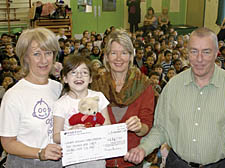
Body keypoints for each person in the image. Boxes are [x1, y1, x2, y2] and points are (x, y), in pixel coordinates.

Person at [124, 27, 225, 167]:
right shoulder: (173, 86)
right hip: (177, 164)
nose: (199, 59)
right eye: (194, 51)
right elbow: (161, 128)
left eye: (206, 52)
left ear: (216, 53)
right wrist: (143, 148)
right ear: (188, 53)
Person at [91, 29, 155, 167]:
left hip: (131, 160)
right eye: (113, 53)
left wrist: (139, 127)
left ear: (131, 56)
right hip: (101, 162)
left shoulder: (143, 85)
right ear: (107, 57)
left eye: (124, 53)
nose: (118, 58)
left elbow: (147, 126)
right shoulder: (96, 85)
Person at [0, 27, 62, 168]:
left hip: (58, 163)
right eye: (36, 54)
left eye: (48, 53)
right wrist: (40, 153)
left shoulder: (59, 88)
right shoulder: (14, 95)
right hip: (26, 163)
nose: (44, 60)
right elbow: (8, 143)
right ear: (26, 58)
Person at [53, 55, 110, 168]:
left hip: (96, 158)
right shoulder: (60, 104)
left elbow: (108, 124)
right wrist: (69, 132)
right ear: (64, 78)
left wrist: (100, 129)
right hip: (73, 161)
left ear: (90, 79)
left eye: (84, 72)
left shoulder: (98, 97)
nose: (79, 76)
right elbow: (56, 136)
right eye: (73, 72)